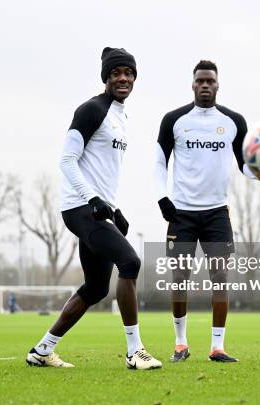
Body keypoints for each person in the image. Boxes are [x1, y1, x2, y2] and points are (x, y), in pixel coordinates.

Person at [26, 47, 162, 370]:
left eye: (129, 73)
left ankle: (43, 349)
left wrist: (114, 209)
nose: (123, 78)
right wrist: (93, 199)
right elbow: (67, 161)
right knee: (130, 262)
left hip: (97, 209)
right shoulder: (91, 110)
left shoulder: (121, 116)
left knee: (96, 288)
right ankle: (135, 352)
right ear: (106, 77)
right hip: (78, 207)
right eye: (116, 73)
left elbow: (100, 171)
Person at [154, 60, 260, 363]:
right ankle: (180, 344)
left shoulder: (233, 121)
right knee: (179, 278)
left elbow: (245, 166)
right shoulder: (174, 119)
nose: (205, 85)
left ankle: (217, 347)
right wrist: (162, 197)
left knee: (220, 277)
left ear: (218, 85)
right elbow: (159, 161)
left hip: (217, 213)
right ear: (193, 85)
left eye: (210, 81)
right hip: (182, 214)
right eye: (200, 81)